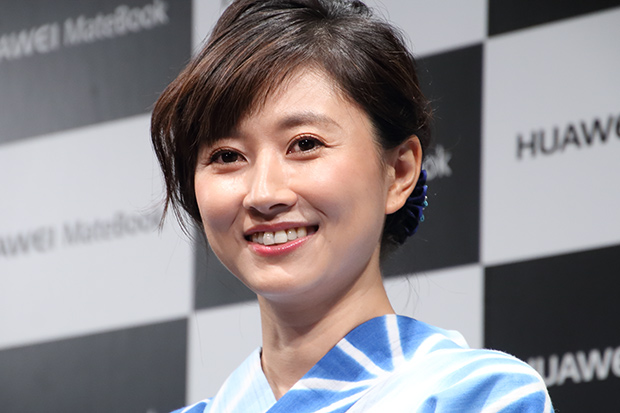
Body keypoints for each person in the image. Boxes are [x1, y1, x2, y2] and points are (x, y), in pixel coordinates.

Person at [151, 0, 554, 411]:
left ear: (399, 172)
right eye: (227, 156)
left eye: (305, 144)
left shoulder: (477, 396)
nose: (264, 194)